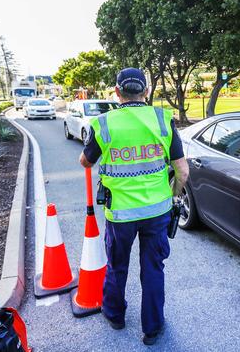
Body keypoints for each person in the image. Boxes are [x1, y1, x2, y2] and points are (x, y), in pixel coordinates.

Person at [79, 67, 189, 345]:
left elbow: (85, 162)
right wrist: (175, 197)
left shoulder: (103, 124)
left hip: (120, 215)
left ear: (117, 93)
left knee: (117, 266)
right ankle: (152, 328)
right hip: (157, 212)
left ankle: (115, 314)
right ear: (147, 91)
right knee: (153, 268)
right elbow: (182, 171)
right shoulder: (163, 120)